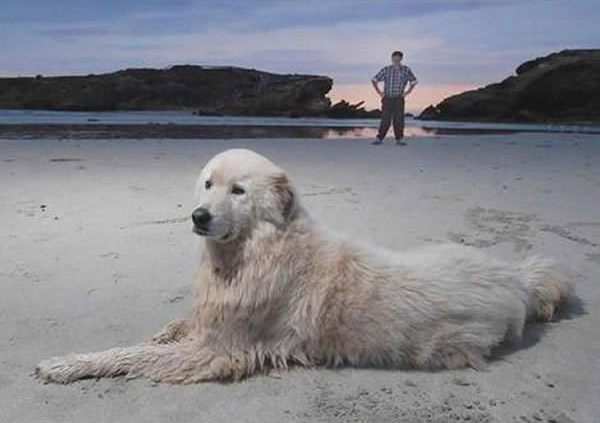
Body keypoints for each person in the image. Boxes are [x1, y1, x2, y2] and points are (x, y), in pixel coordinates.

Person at [371, 51, 418, 145]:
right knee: (385, 119)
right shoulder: (386, 69)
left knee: (399, 119)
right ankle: (379, 138)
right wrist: (380, 92)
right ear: (392, 58)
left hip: (399, 99)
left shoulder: (406, 70)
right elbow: (374, 80)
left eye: (398, 58)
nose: (396, 60)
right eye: (394, 58)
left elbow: (414, 81)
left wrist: (407, 92)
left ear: (401, 59)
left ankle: (399, 139)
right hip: (387, 98)